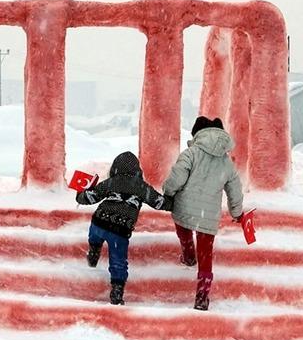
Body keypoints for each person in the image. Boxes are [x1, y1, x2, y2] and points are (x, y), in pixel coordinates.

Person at [162, 116, 244, 311]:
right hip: (208, 214)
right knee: (206, 253)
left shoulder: (191, 153)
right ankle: (202, 295)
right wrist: (237, 212)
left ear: (197, 133)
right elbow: (235, 189)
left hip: (184, 208)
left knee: (183, 231)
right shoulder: (226, 163)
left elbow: (176, 178)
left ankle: (188, 255)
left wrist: (168, 192)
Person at [75, 151, 172, 305]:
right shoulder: (142, 187)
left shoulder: (111, 182)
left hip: (99, 221)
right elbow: (160, 203)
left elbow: (90, 197)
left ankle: (93, 252)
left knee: (94, 236)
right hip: (120, 230)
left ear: (115, 168)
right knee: (118, 261)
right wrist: (172, 201)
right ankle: (117, 290)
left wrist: (80, 194)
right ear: (137, 170)